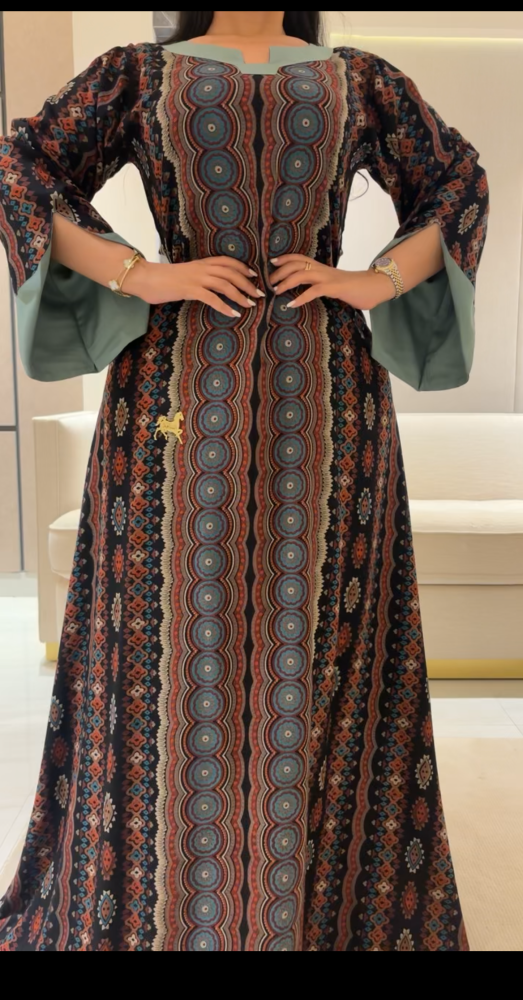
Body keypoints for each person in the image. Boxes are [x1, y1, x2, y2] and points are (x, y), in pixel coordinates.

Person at [0, 10, 488, 952]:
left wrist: (375, 280)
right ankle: (162, 910)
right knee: (164, 640)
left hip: (329, 400)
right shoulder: (137, 75)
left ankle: (313, 913)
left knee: (323, 643)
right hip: (176, 391)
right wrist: (139, 273)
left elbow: (457, 182)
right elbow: (19, 167)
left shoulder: (358, 79)